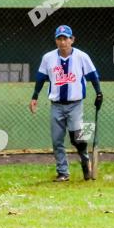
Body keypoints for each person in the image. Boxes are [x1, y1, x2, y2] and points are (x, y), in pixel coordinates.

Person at [29, 25, 103, 182]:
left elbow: (93, 76)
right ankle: (63, 172)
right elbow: (41, 78)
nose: (62, 42)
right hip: (56, 105)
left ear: (72, 40)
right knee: (56, 140)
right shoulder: (48, 58)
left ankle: (85, 160)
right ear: (56, 40)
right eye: (59, 39)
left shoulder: (82, 56)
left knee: (77, 138)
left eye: (65, 38)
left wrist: (99, 92)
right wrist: (34, 96)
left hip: (75, 104)